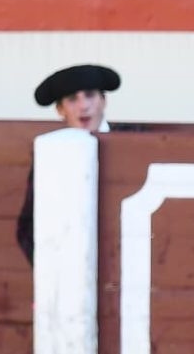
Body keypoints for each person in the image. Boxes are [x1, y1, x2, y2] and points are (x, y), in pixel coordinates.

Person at [16, 63, 121, 265]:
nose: (83, 106)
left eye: (90, 95)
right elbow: (27, 228)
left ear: (104, 101)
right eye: (73, 99)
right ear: (60, 110)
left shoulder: (133, 140)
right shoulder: (51, 153)